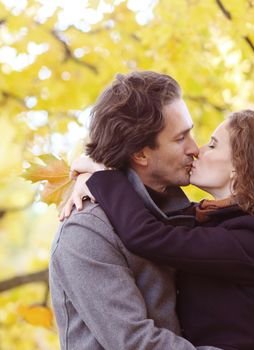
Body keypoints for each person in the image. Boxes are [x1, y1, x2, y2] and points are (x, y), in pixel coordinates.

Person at [64, 110, 254, 350]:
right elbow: (156, 219)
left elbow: (149, 236)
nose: (198, 150)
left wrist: (103, 176)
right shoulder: (218, 220)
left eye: (213, 145)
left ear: (241, 166)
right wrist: (92, 181)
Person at [49, 70, 219, 349]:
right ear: (140, 153)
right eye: (180, 139)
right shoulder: (87, 233)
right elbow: (136, 343)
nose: (195, 149)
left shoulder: (181, 215)